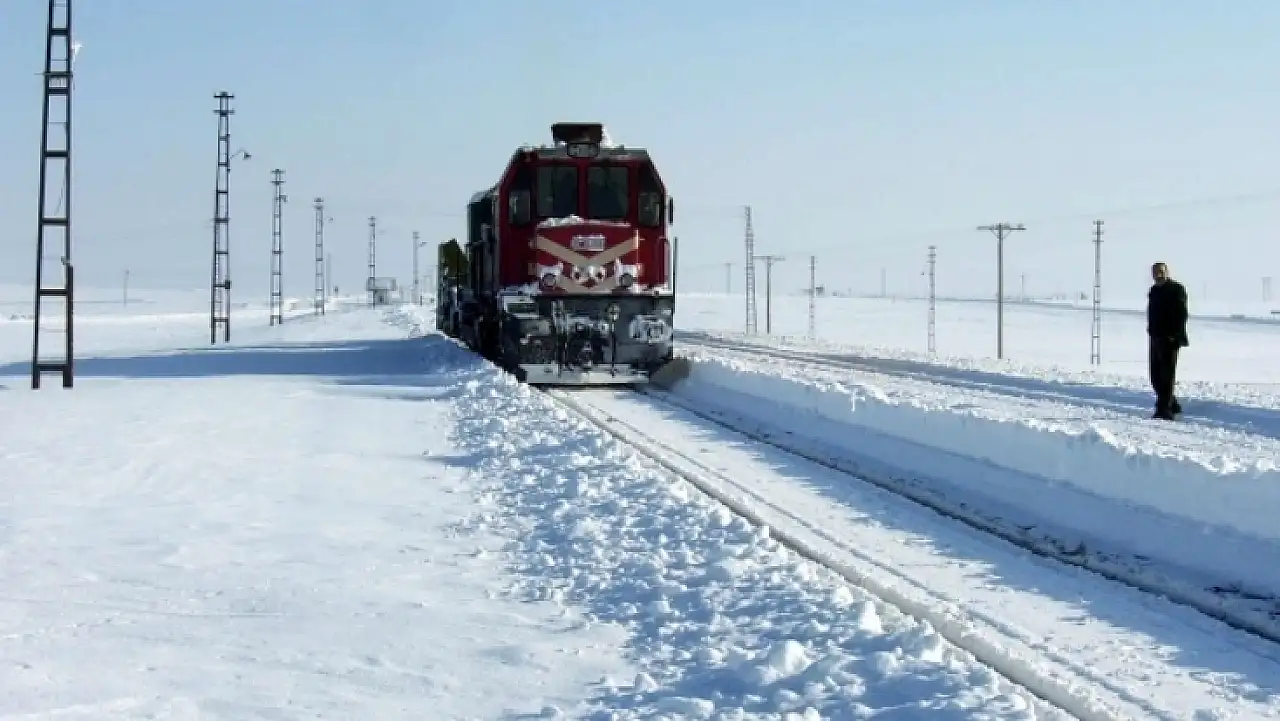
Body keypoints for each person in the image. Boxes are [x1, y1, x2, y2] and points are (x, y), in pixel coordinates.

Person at [1146, 262, 1189, 419]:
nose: (1158, 275)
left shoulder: (1176, 289)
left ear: (1167, 272)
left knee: (1167, 375)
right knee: (1155, 376)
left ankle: (1164, 410)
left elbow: (1182, 314)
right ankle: (1171, 403)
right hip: (1155, 337)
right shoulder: (1154, 291)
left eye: (1161, 272)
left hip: (1170, 339)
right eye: (1155, 272)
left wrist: (1174, 335)